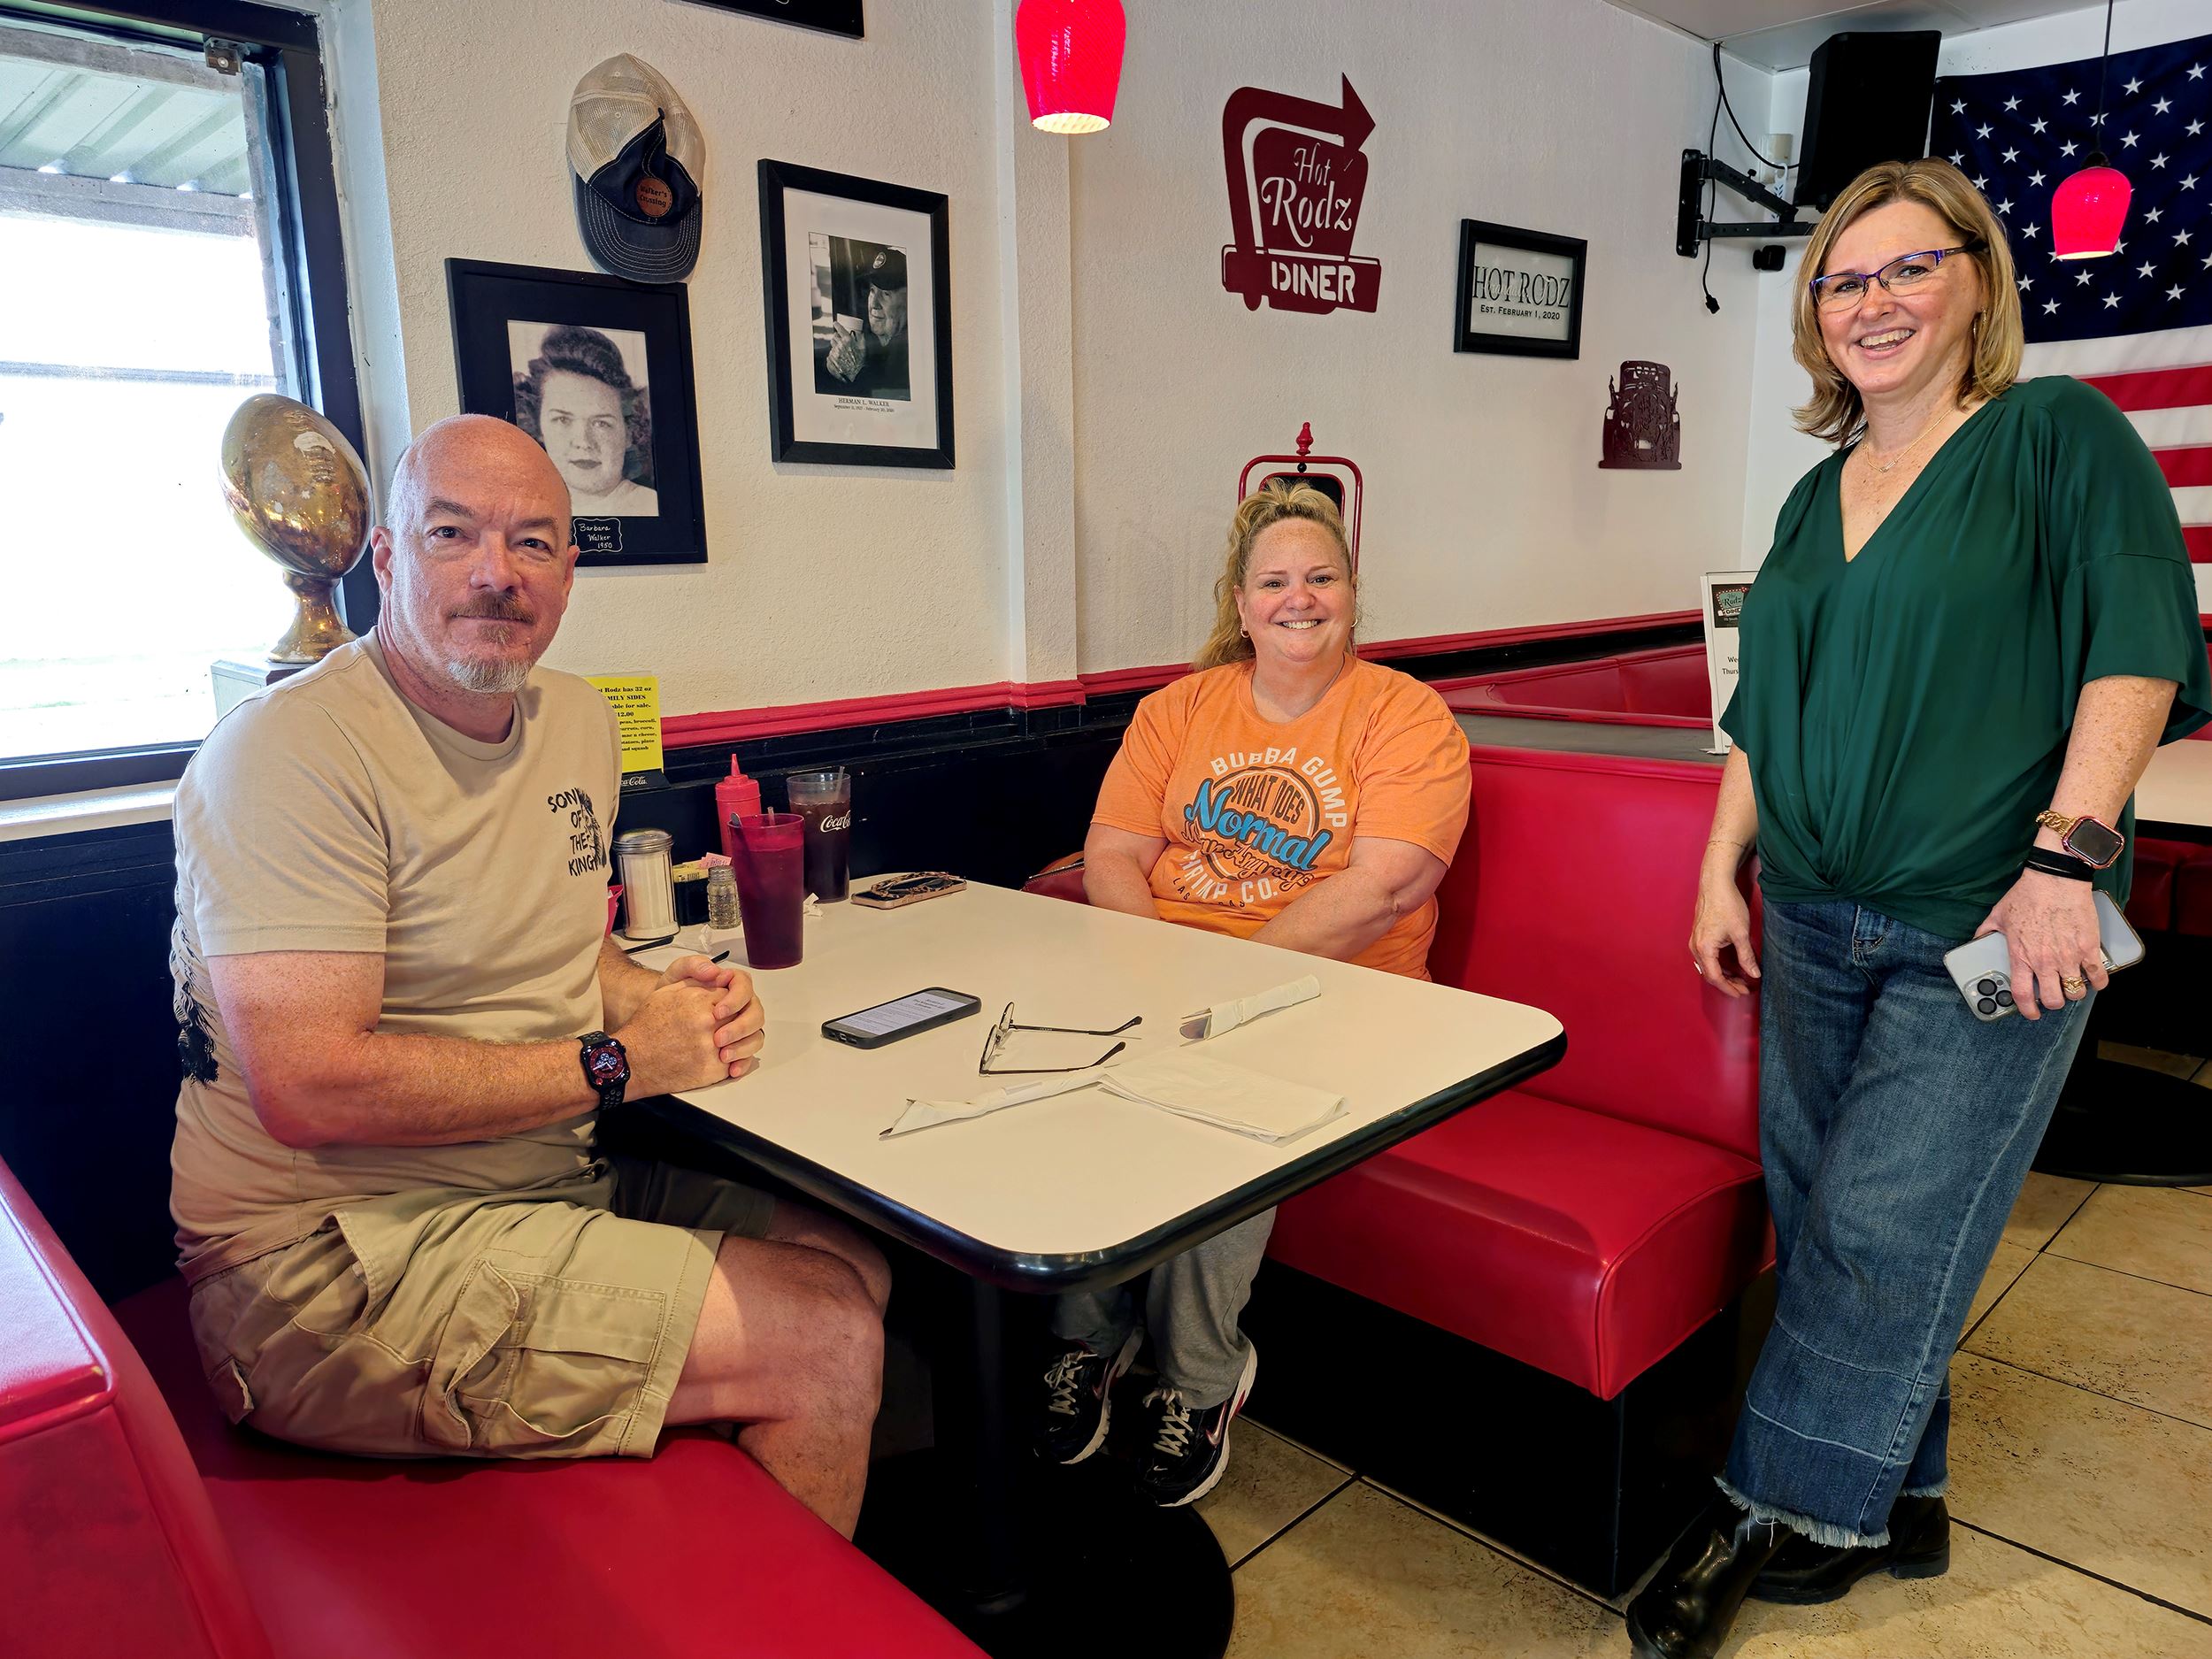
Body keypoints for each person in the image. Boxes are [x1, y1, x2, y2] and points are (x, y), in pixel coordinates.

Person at [1629, 160, 2211, 1659]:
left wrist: (2069, 858)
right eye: (1843, 280)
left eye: (1906, 269)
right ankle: (1905, 1483)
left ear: (1975, 282)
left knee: (1889, 1222)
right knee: (1833, 1212)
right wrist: (1716, 866)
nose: (1872, 301)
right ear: (1816, 319)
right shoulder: (1818, 493)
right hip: (1813, 917)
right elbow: (1765, 707)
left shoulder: (2058, 439)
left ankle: (1780, 1512)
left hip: (1997, 923)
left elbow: (2138, 643)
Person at [169, 415, 889, 1536]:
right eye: (453, 534)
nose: (496, 574)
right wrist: (616, 1061)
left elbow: (565, 943)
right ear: (390, 560)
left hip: (540, 1188)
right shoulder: (290, 751)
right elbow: (308, 1083)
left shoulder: (577, 720)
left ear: (570, 570)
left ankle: (720, 1572)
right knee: (825, 1332)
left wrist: (661, 1001)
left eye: (535, 542)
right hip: (326, 1264)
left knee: (855, 1260)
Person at [1041, 481, 1471, 1506]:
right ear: (1239, 604)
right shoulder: (1175, 711)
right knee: (1061, 1079)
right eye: (1275, 581)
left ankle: (1198, 1376)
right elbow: (1111, 854)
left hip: (1343, 1000)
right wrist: (1157, 985)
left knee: (1220, 1112)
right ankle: (1084, 1343)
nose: (1299, 598)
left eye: (1320, 577)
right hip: (1170, 980)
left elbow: (1387, 886)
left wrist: (1223, 997)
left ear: (1354, 595)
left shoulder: (1403, 714)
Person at [512, 324, 658, 514]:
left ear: (629, 432)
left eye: (601, 423)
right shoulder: (522, 510)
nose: (583, 442)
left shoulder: (650, 507)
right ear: (540, 428)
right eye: (562, 420)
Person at [825, 245, 910, 400]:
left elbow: (889, 406)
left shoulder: (912, 353)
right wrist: (833, 366)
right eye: (872, 291)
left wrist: (855, 371)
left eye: (886, 293)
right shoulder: (864, 340)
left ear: (908, 299)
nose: (874, 304)